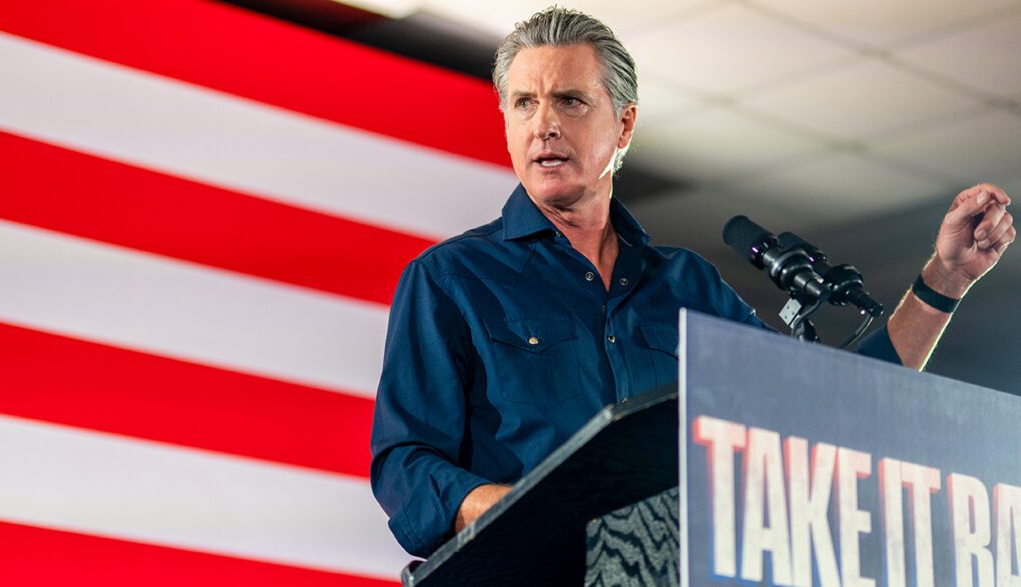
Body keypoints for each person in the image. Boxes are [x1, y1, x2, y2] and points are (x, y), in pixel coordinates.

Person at [369, 7, 1015, 558]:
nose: (544, 124)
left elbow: (831, 410)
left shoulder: (686, 285)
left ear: (623, 125)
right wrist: (526, 512)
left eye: (570, 100)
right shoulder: (451, 278)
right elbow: (405, 464)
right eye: (523, 103)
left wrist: (946, 278)